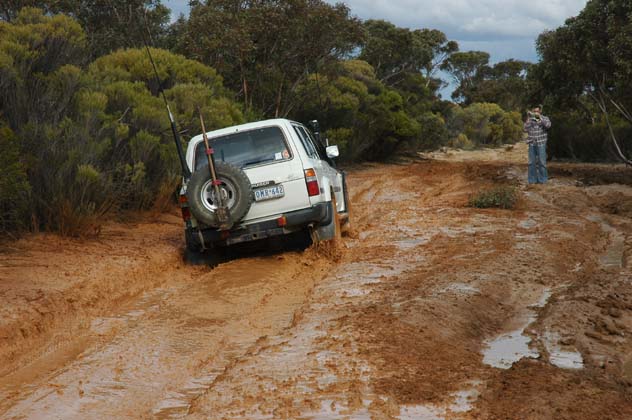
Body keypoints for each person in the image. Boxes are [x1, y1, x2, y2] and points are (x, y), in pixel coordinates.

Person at [524, 106, 551, 184]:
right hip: (532, 143)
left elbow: (548, 125)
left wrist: (538, 118)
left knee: (542, 162)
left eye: (537, 111)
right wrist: (529, 119)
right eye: (534, 111)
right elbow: (525, 129)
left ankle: (543, 180)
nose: (536, 112)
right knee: (531, 162)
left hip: (541, 143)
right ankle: (532, 181)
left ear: (540, 111)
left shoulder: (545, 118)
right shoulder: (530, 119)